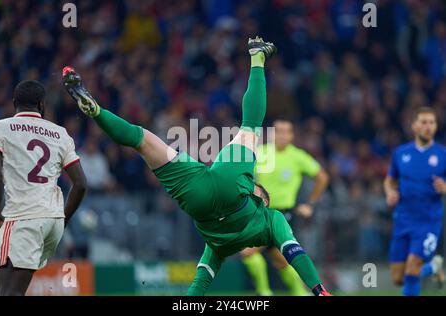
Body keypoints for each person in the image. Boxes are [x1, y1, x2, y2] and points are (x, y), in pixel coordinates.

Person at [63, 37, 331, 296]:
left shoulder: (265, 212)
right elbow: (291, 251)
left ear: (260, 196)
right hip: (199, 202)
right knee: (144, 143)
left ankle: (257, 58)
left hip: (227, 186)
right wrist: (319, 289)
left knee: (245, 126)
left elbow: (207, 277)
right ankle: (96, 111)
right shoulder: (237, 238)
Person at [0, 80, 87, 295]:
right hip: (52, 222)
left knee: (10, 292)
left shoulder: (0, 128)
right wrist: (62, 220)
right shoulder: (60, 133)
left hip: (22, 218)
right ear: (42, 105)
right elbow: (81, 183)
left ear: (14, 102)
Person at [241, 119, 329, 296]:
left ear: (291, 135)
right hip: (261, 213)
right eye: (278, 131)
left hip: (285, 214)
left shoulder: (298, 156)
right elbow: (245, 174)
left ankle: (266, 293)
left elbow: (322, 177)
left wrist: (310, 204)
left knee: (251, 253)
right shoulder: (261, 152)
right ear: (272, 134)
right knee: (278, 260)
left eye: (285, 131)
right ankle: (293, 293)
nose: (281, 135)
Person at [384, 107, 445, 296]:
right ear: (414, 126)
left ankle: (428, 267)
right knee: (398, 277)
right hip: (403, 218)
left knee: (412, 270)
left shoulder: (443, 154)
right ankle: (434, 267)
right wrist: (390, 192)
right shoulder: (401, 153)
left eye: (432, 123)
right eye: (424, 122)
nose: (428, 127)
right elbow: (390, 179)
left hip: (428, 220)